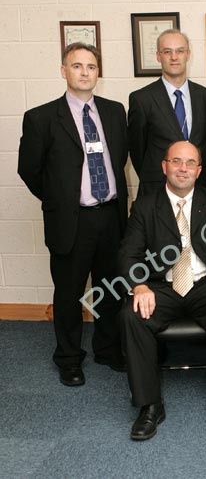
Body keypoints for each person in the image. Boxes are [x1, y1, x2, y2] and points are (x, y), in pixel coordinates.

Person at [18, 42, 129, 387]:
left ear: (99, 72)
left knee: (110, 287)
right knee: (68, 292)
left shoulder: (114, 111)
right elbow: (29, 170)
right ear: (63, 70)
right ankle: (68, 358)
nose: (85, 72)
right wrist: (60, 201)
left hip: (110, 215)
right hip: (71, 220)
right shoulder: (41, 117)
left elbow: (120, 157)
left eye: (91, 66)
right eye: (77, 66)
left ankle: (108, 348)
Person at [118, 140, 206, 441]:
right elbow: (128, 254)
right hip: (162, 286)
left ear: (200, 170)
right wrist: (139, 285)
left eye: (190, 163)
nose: (183, 168)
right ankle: (150, 405)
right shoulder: (146, 205)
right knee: (131, 316)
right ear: (165, 167)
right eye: (176, 161)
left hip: (205, 285)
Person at [128, 29, 206, 195]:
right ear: (158, 56)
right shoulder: (142, 99)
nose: (174, 57)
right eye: (167, 51)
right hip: (156, 190)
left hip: (199, 189)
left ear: (188, 54)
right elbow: (137, 151)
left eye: (180, 51)